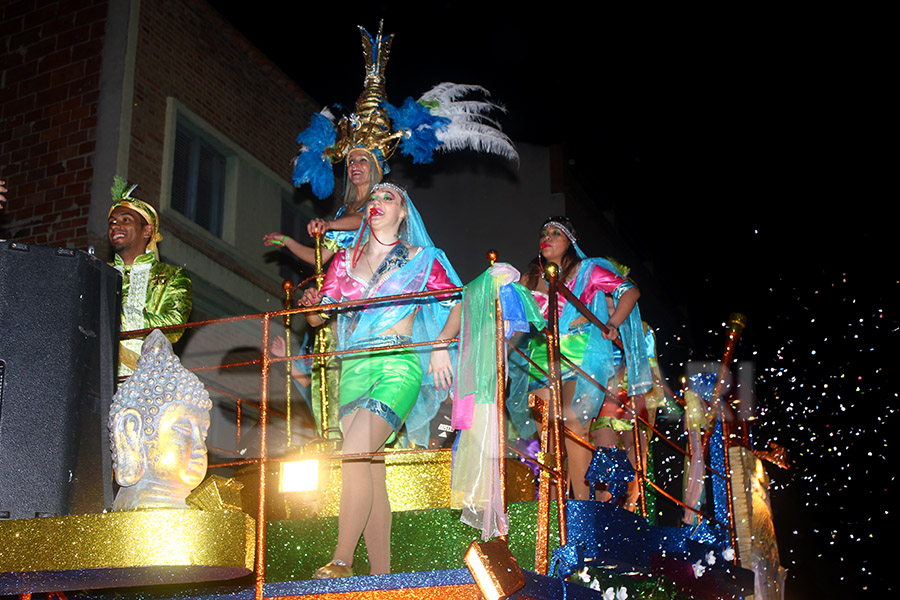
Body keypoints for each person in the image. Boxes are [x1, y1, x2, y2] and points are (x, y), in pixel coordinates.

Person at [301, 182, 461, 577]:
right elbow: (318, 318)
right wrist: (313, 306)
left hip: (397, 364)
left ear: (403, 213)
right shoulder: (342, 261)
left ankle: (342, 559)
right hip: (353, 367)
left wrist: (441, 344)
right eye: (372, 198)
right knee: (370, 467)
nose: (376, 203)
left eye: (387, 198)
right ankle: (382, 576)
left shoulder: (422, 258)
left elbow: (460, 304)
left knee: (353, 453)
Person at [514, 217, 651, 500]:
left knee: (574, 426)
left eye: (556, 233)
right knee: (548, 440)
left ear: (571, 241)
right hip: (541, 359)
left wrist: (613, 322)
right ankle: (551, 514)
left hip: (581, 359)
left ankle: (583, 511)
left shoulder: (588, 270)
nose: (547, 238)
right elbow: (511, 316)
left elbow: (630, 291)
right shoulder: (528, 277)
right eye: (544, 233)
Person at [108, 176, 192, 376]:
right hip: (97, 375)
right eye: (112, 222)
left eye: (125, 220)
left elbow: (175, 325)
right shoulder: (98, 272)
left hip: (149, 379)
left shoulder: (173, 275)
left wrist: (118, 318)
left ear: (147, 231)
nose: (115, 226)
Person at [262, 147, 382, 265]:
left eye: (362, 160)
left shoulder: (381, 199)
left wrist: (329, 224)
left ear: (375, 166)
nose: (354, 165)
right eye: (351, 161)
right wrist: (286, 240)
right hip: (346, 279)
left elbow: (364, 218)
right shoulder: (343, 212)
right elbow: (319, 258)